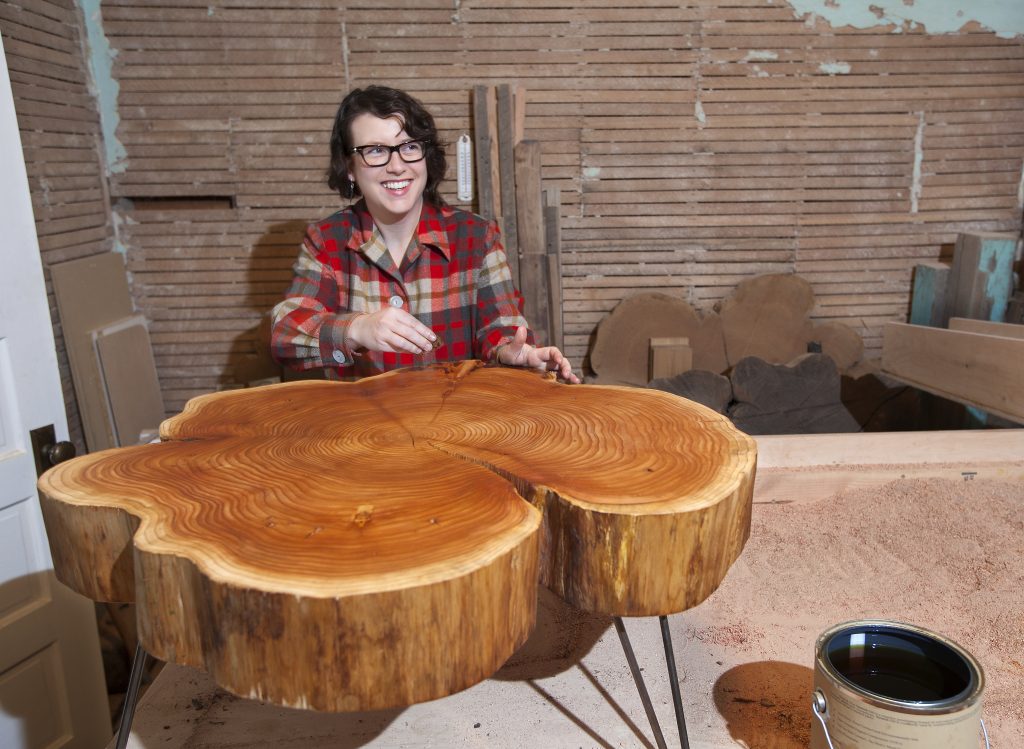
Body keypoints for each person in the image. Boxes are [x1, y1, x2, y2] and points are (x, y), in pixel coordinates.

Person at [270, 84, 578, 383]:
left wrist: (513, 354)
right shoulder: (326, 240)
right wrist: (357, 329)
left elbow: (502, 328)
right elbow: (284, 334)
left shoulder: (477, 237)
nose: (397, 166)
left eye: (409, 147)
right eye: (375, 150)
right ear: (349, 167)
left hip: (456, 414)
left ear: (425, 156)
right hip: (362, 417)